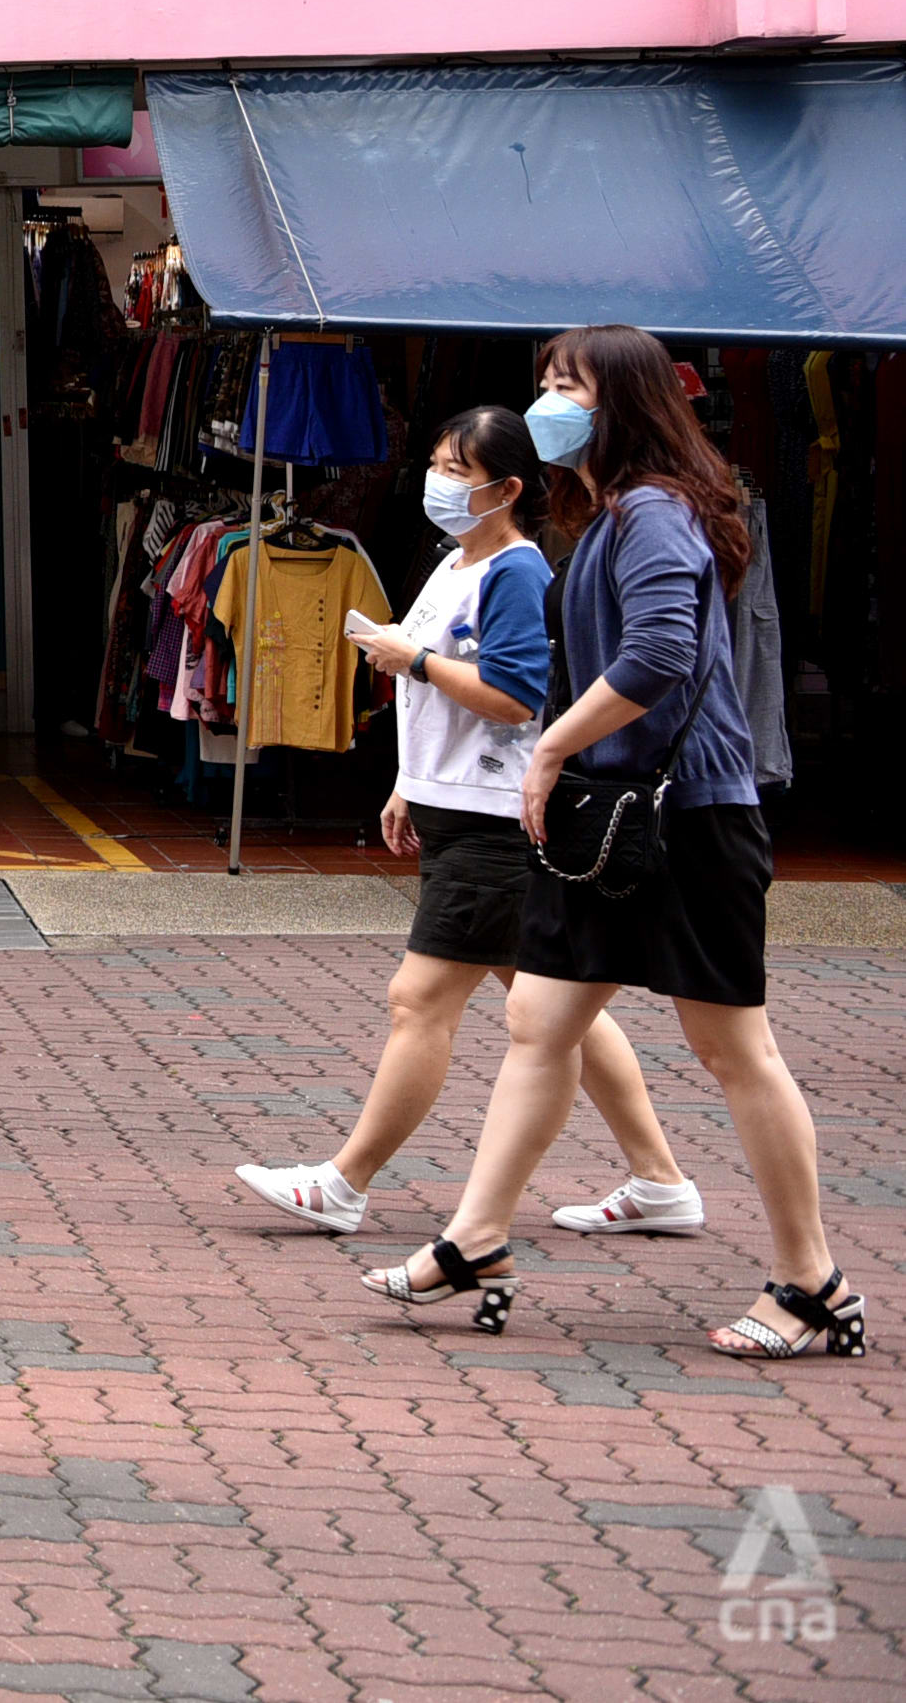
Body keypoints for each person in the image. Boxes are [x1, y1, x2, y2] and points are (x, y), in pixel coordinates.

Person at [363, 327, 861, 1356]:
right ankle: (474, 1238)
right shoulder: (607, 514)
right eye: (544, 381)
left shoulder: (650, 512)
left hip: (685, 815)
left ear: (622, 403)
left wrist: (548, 748)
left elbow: (660, 653)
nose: (546, 402)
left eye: (567, 385)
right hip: (616, 811)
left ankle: (812, 1281)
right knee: (539, 1016)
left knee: (733, 1048)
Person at [229, 406, 691, 1236]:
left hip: (494, 822)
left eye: (457, 469)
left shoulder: (514, 571)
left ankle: (345, 1181)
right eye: (437, 463)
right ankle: (660, 1178)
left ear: (507, 489)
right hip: (460, 809)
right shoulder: (456, 561)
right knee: (560, 1007)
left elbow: (514, 695)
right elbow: (440, 693)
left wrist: (415, 659)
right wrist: (409, 780)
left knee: (420, 1000)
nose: (438, 482)